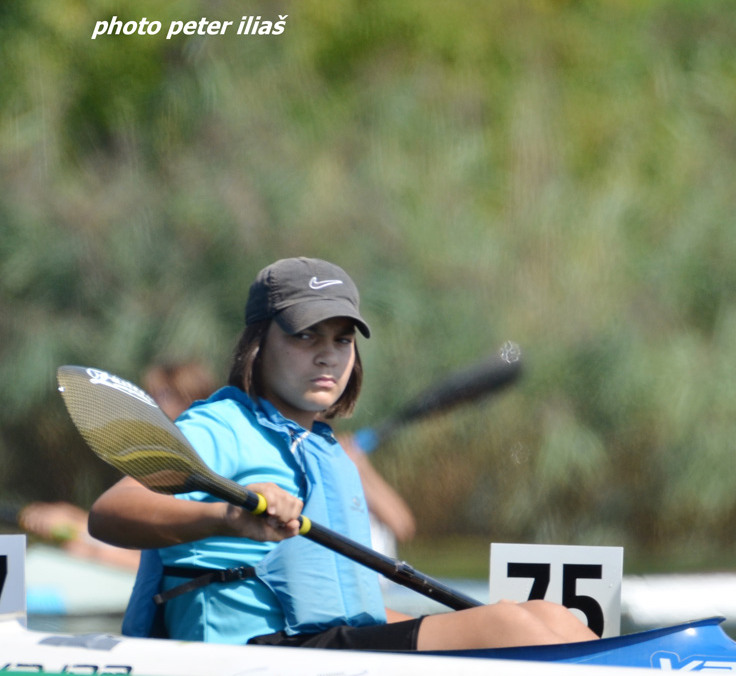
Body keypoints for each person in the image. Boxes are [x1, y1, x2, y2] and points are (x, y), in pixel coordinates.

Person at [90, 256, 596, 650]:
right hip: (246, 655)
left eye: (341, 338)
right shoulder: (220, 425)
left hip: (323, 647)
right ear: (258, 345)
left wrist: (466, 624)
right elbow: (109, 513)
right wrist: (226, 516)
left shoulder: (327, 452)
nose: (328, 353)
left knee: (549, 617)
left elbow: (352, 612)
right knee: (509, 626)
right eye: (304, 335)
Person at [16, 361, 221, 571]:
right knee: (14, 568)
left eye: (166, 396)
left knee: (15, 580)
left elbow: (160, 563)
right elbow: (135, 533)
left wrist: (89, 547)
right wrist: (73, 519)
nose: (149, 407)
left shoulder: (200, 473)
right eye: (149, 396)